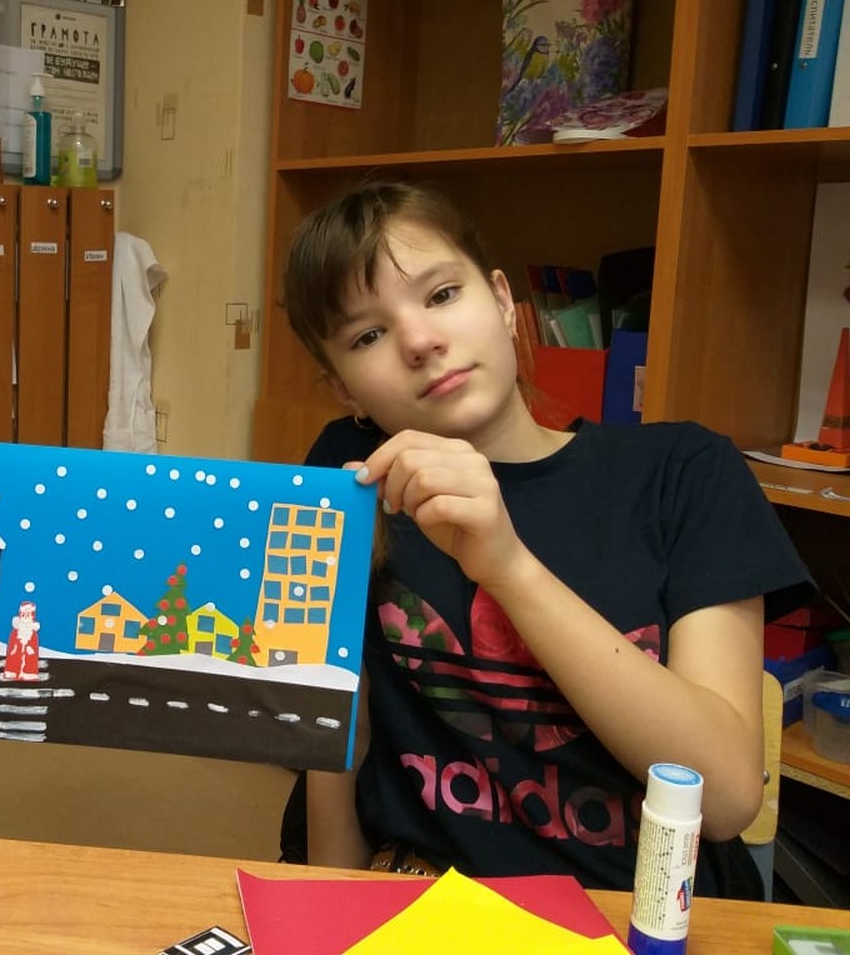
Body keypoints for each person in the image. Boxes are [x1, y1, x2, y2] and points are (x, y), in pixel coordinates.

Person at [279, 179, 812, 897]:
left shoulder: (682, 471)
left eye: (442, 294)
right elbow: (339, 735)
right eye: (367, 336)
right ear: (344, 388)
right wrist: (329, 914)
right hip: (429, 911)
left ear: (503, 301)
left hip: (646, 916)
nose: (421, 341)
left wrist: (508, 566)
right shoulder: (350, 476)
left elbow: (724, 798)